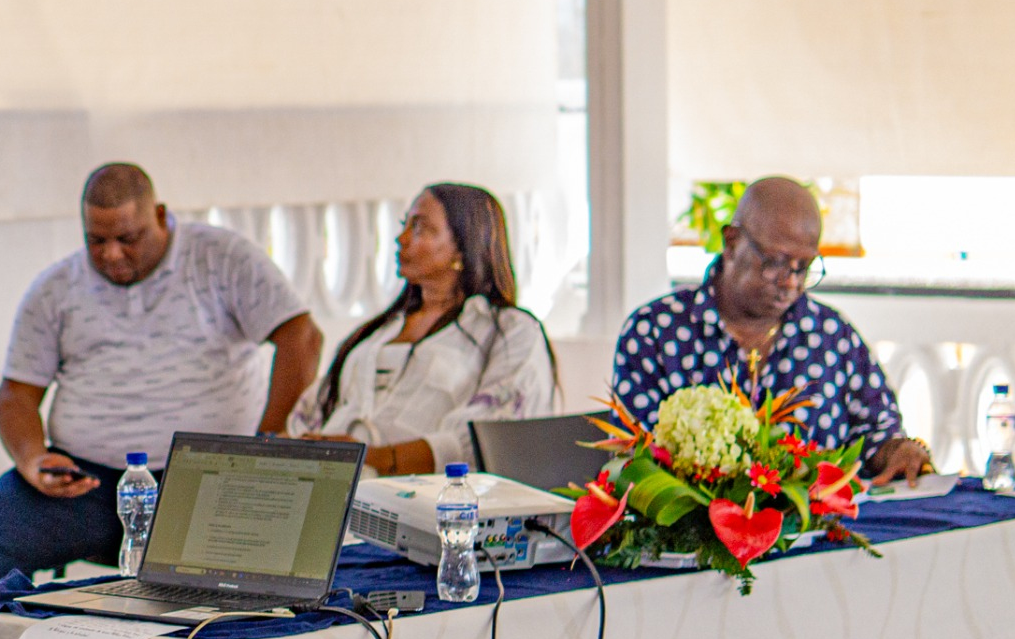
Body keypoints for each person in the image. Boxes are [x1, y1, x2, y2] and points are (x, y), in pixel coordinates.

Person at [0, 162, 321, 589]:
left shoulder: (222, 259)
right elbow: (16, 394)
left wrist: (269, 441)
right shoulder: (55, 288)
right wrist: (33, 458)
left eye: (128, 239)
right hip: (89, 482)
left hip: (211, 478)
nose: (112, 254)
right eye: (97, 240)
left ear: (161, 216)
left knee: (228, 574)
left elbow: (302, 338)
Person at [612, 176, 930, 482]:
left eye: (803, 267)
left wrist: (901, 451)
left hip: (824, 535)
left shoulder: (833, 336)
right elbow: (635, 461)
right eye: (775, 262)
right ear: (732, 243)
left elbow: (878, 435)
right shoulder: (655, 332)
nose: (790, 281)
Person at [290, 183, 561, 474]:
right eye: (404, 225)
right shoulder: (381, 331)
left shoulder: (507, 331)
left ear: (463, 245)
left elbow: (494, 433)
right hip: (333, 486)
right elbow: (315, 409)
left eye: (419, 228)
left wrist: (375, 458)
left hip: (426, 503)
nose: (401, 239)